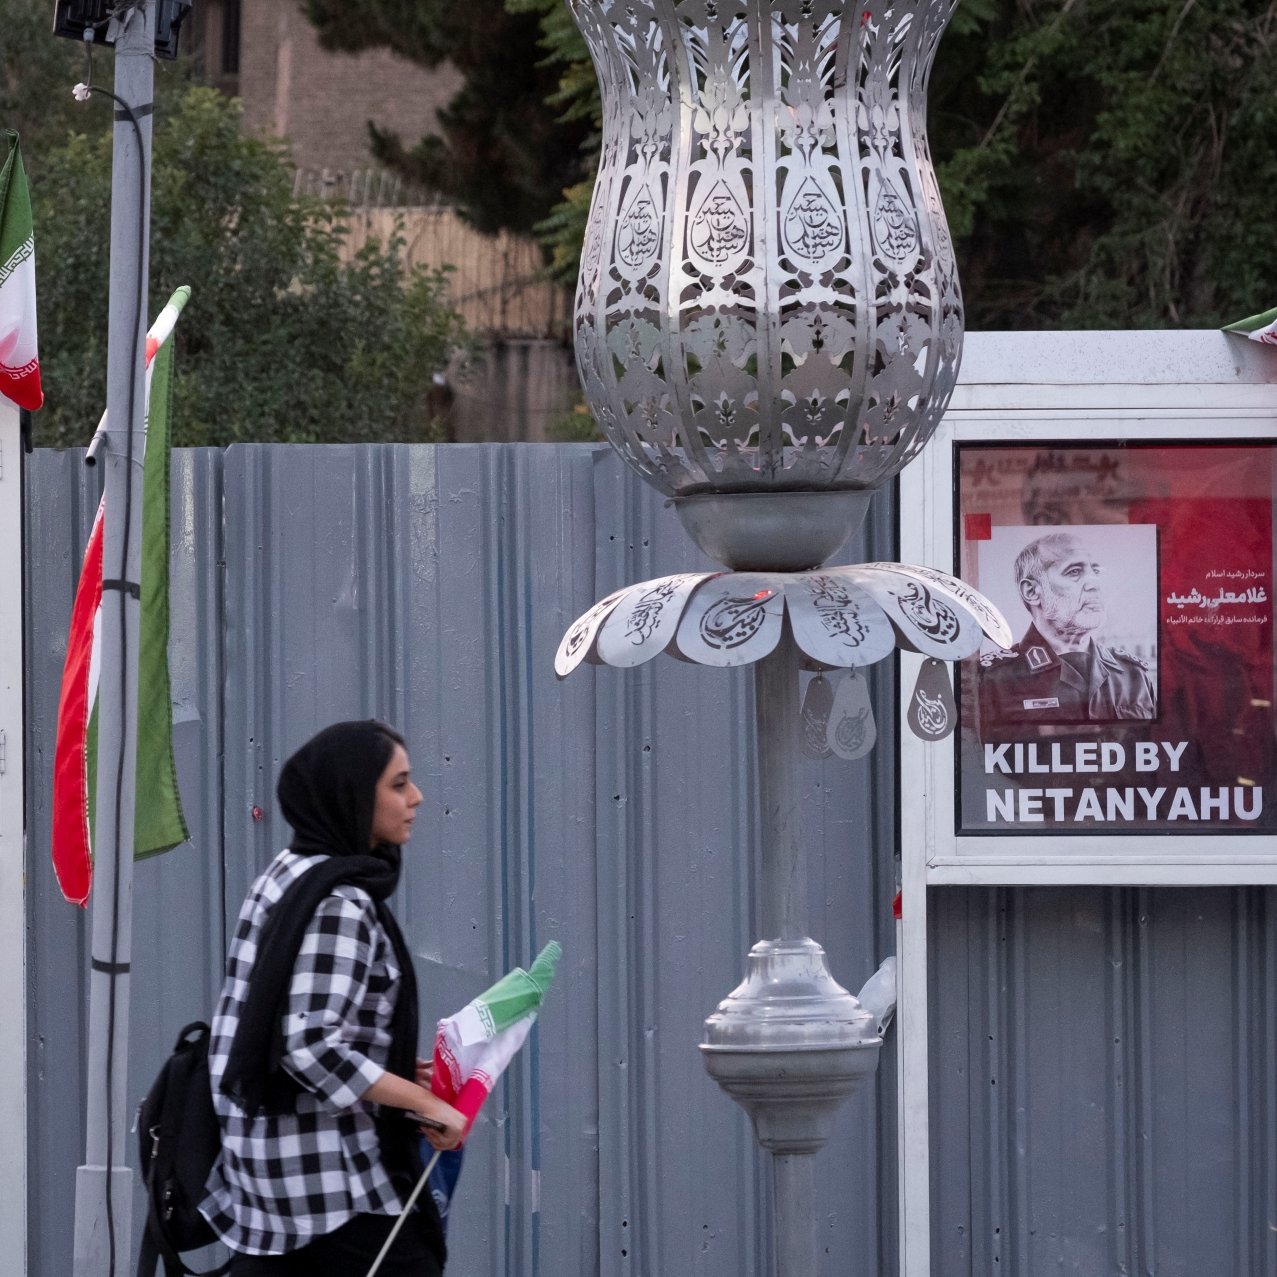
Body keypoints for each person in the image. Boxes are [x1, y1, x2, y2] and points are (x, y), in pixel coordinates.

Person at [200, 720, 467, 1276]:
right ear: (351, 795)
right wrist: (428, 1105)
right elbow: (309, 1046)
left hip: (265, 1172)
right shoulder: (339, 902)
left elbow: (284, 1024)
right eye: (398, 785)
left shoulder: (286, 873)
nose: (416, 798)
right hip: (324, 1186)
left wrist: (392, 1074)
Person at [979, 531, 1155, 726]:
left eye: (1095, 571)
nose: (1094, 584)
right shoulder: (994, 680)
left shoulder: (1133, 676)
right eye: (1074, 572)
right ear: (1032, 591)